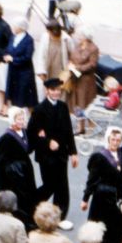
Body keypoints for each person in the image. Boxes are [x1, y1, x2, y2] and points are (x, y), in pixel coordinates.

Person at [29, 77, 78, 228]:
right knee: (49, 185)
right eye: (53, 90)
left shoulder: (63, 107)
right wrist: (47, 142)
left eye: (58, 90)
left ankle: (60, 217)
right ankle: (31, 205)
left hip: (61, 154)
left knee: (62, 186)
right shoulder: (39, 110)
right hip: (46, 156)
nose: (56, 93)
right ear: (47, 91)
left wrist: (73, 152)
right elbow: (32, 134)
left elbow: (69, 131)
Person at [81, 127, 122, 243]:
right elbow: (92, 179)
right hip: (103, 197)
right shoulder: (99, 157)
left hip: (119, 195)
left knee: (117, 225)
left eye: (118, 140)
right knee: (102, 226)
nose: (115, 142)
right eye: (113, 139)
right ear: (108, 139)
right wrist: (85, 199)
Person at [0, 106, 38, 225]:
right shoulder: (5, 138)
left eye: (23, 119)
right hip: (11, 172)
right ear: (12, 120)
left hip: (25, 169)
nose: (21, 121)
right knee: (15, 196)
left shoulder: (25, 133)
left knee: (27, 196)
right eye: (18, 119)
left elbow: (28, 149)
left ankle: (27, 221)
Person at [4, 18, 37, 110]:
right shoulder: (13, 37)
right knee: (13, 94)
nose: (13, 27)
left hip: (24, 72)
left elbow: (27, 56)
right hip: (13, 71)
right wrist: (6, 55)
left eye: (15, 26)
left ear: (21, 27)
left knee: (24, 96)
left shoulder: (28, 40)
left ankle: (28, 115)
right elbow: (8, 49)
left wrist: (13, 59)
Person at [66, 26, 99, 118]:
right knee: (74, 102)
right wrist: (70, 64)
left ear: (85, 37)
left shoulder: (93, 48)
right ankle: (77, 122)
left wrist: (78, 67)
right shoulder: (78, 45)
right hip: (75, 78)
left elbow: (92, 65)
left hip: (85, 80)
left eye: (80, 35)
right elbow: (71, 57)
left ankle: (84, 122)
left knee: (83, 102)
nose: (78, 37)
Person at [35, 19, 70, 101]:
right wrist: (41, 71)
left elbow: (73, 53)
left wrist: (68, 70)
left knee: (60, 90)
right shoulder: (44, 37)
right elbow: (40, 55)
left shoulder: (66, 39)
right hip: (48, 69)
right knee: (48, 90)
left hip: (61, 70)